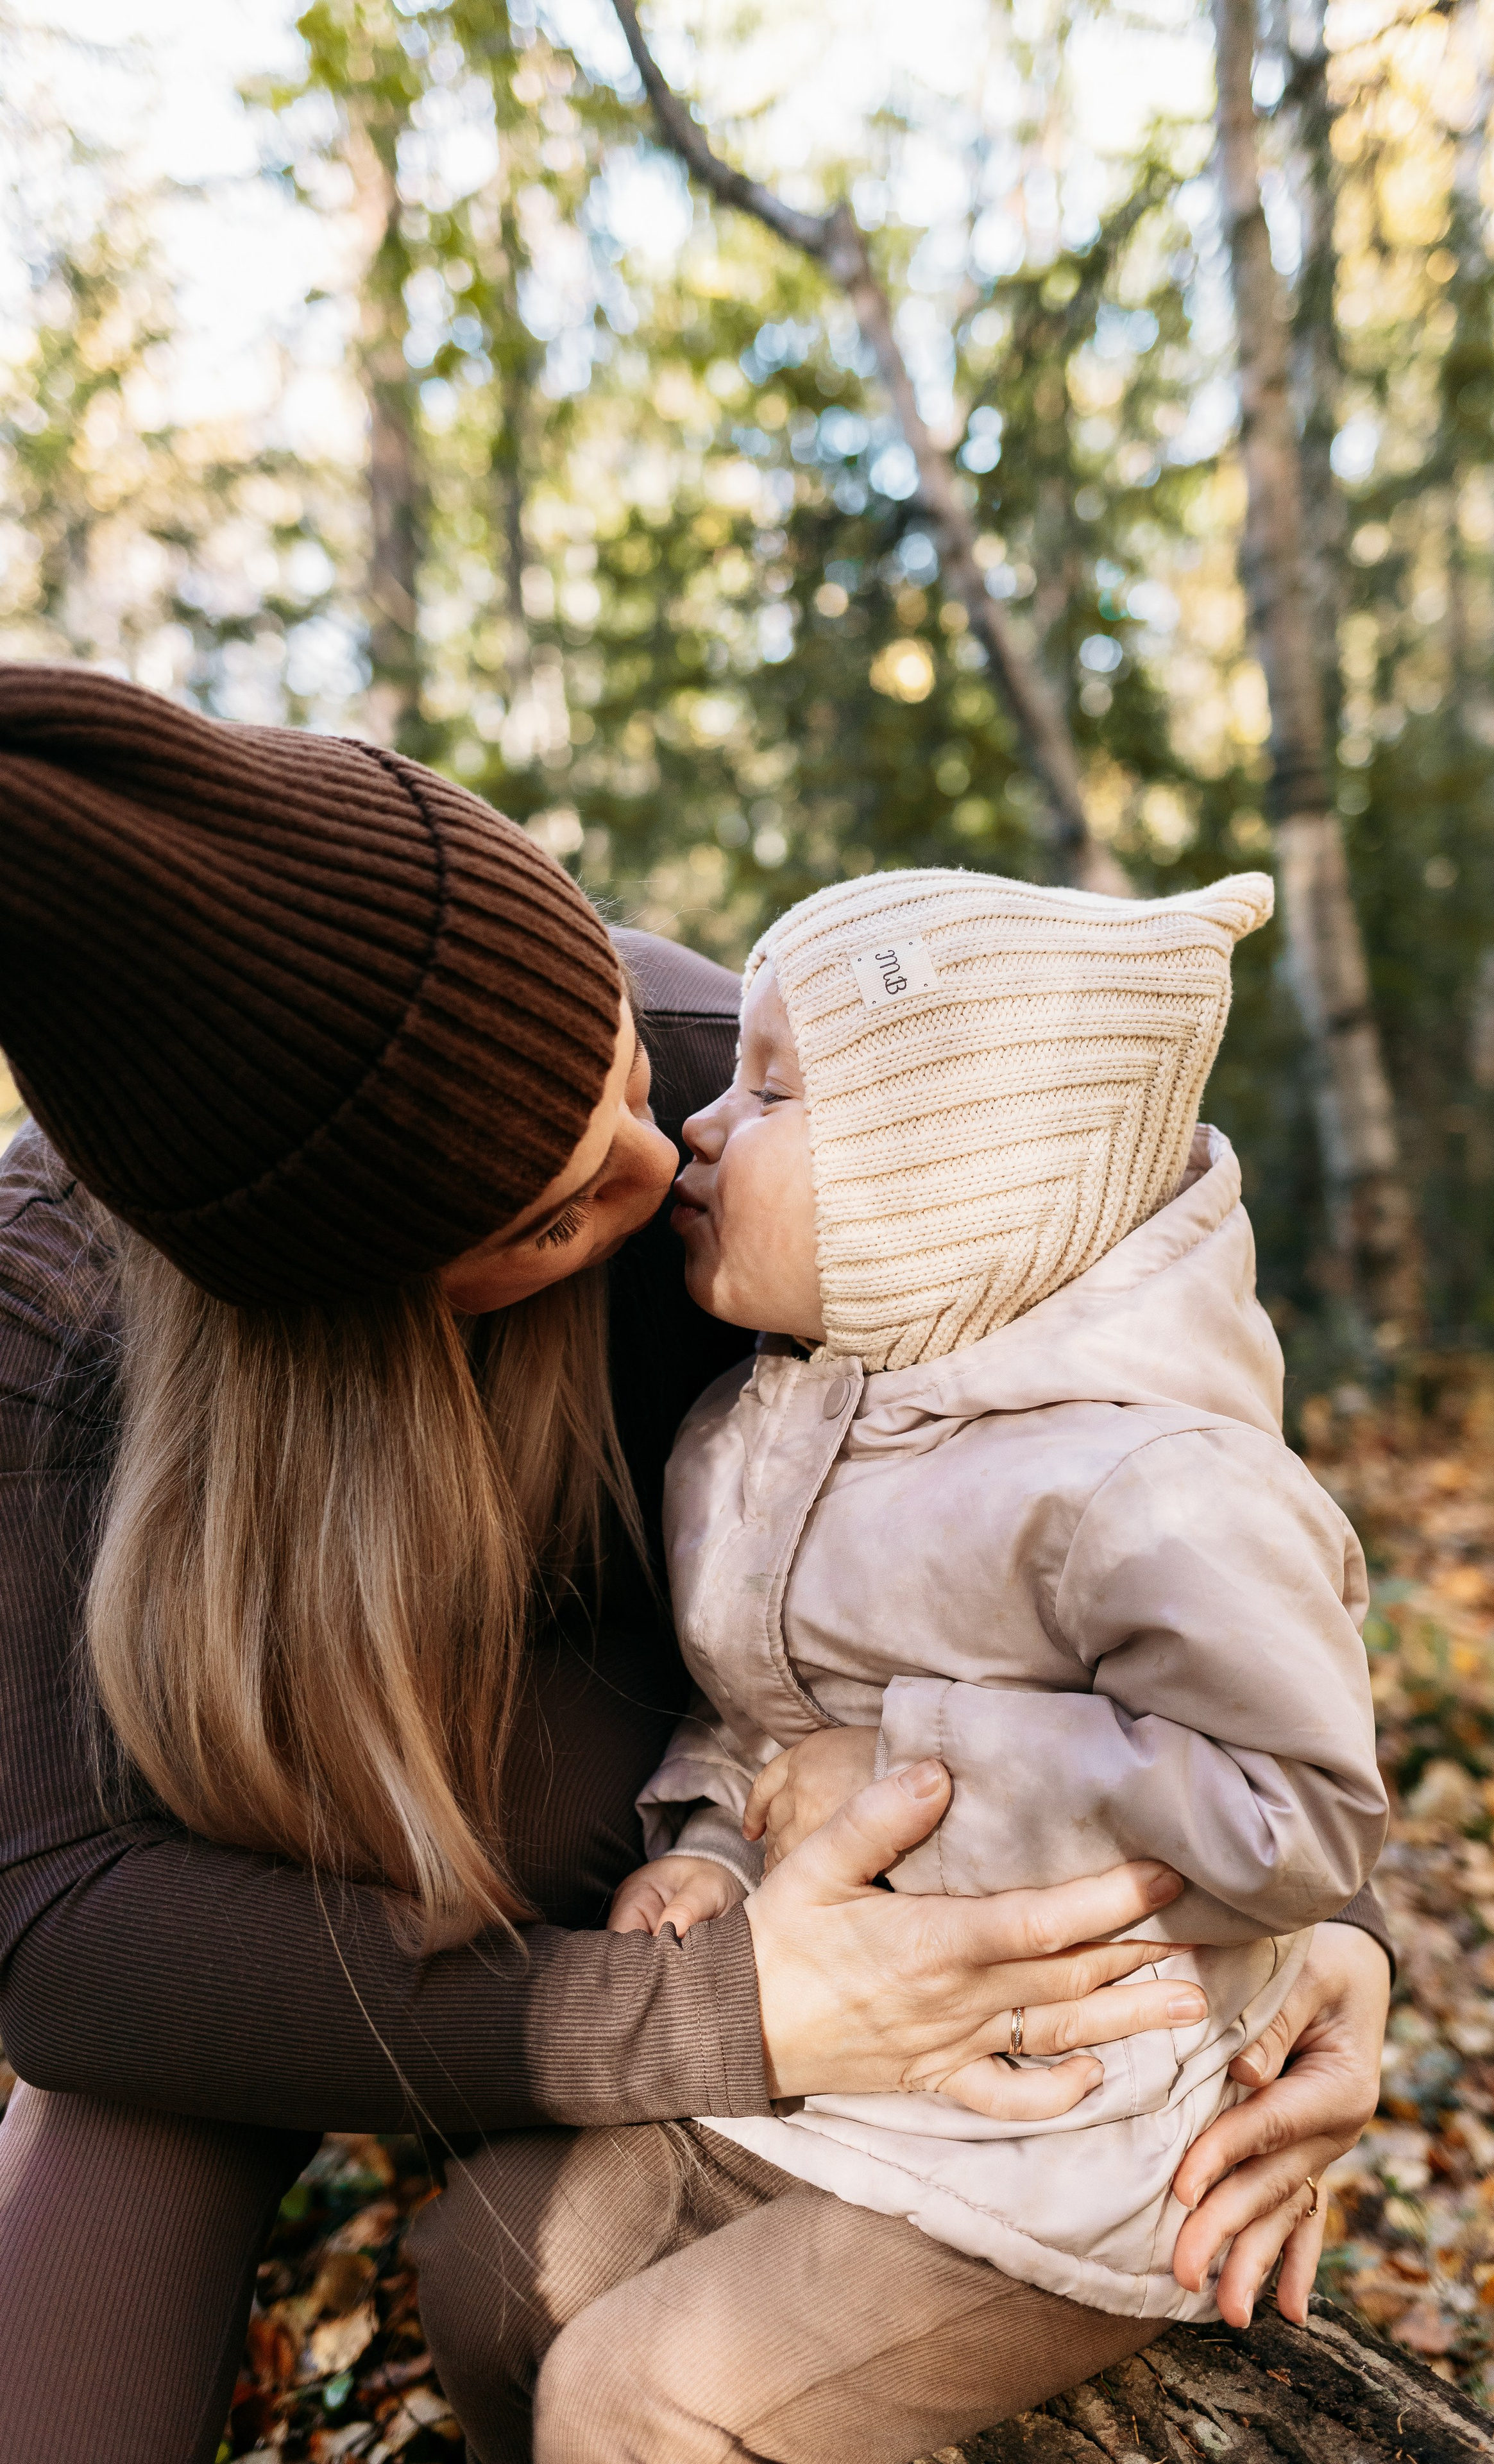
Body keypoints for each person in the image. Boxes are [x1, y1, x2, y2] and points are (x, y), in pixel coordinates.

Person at [0, 666, 1389, 2464]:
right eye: (545, 1211)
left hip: (648, 1816)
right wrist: (693, 2018)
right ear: (340, 1306)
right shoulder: (44, 1313)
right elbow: (55, 1933)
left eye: (622, 1068)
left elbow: (1132, 1392)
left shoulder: (733, 1075)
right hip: (288, 1911)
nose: (662, 1165)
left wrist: (1328, 1930)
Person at [409, 866, 1389, 2462]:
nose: (701, 1128)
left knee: (635, 2405)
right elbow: (758, 1710)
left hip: (1060, 2111)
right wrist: (714, 1846)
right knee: (485, 2269)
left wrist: (918, 1769)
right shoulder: (759, 1430)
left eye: (772, 1091)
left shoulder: (1149, 1488)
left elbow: (1298, 1816)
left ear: (950, 1180)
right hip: (824, 2050)